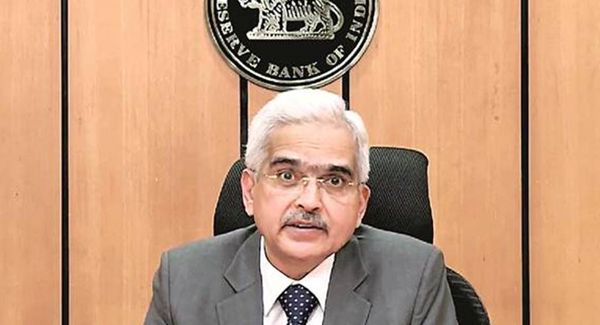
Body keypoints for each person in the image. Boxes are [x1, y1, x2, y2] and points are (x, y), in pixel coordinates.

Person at [144, 88, 458, 325]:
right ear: (250, 192)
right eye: (287, 176)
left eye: (334, 181)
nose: (309, 201)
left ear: (361, 204)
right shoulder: (182, 281)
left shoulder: (413, 280)